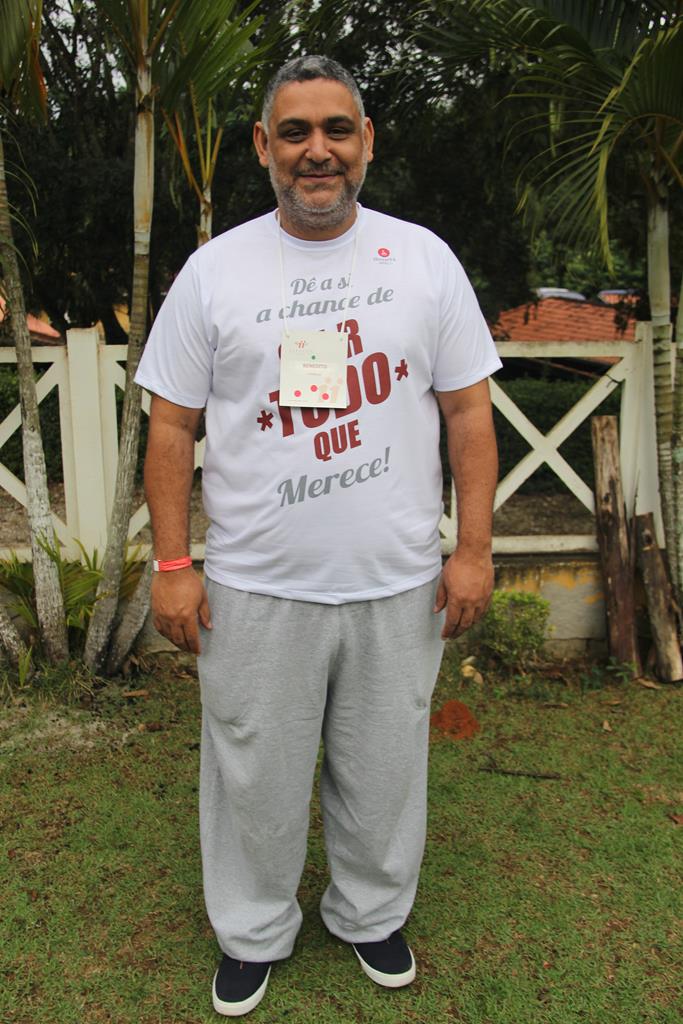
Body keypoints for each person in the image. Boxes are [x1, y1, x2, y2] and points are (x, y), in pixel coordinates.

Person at [135, 54, 501, 1018]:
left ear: (366, 140)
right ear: (263, 146)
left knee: (384, 770)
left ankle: (370, 913)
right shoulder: (216, 272)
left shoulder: (422, 260)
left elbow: (467, 413)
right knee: (252, 772)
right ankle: (251, 931)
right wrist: (172, 565)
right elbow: (170, 425)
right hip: (255, 586)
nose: (317, 150)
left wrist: (472, 550)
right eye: (294, 131)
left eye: (337, 128)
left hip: (396, 581)